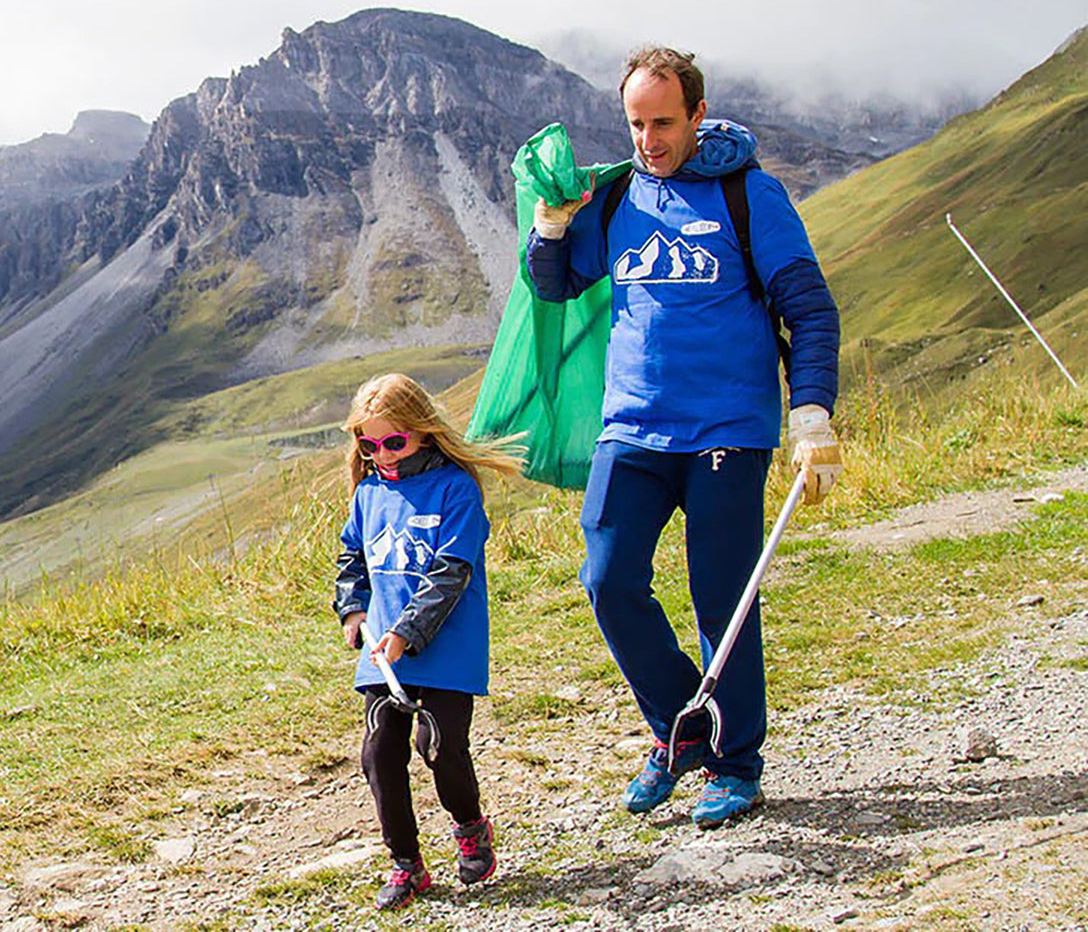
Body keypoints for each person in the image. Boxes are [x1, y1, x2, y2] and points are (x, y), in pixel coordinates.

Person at [525, 46, 842, 829]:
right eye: (636, 123)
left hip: (727, 428)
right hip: (632, 426)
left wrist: (812, 413)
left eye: (663, 123)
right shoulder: (618, 196)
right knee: (607, 579)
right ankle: (681, 730)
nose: (648, 139)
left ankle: (735, 764)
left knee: (721, 597)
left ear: (697, 115)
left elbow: (809, 308)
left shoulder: (748, 196)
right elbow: (556, 284)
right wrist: (550, 228)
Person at [332, 373, 523, 909]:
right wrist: (352, 610)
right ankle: (406, 864)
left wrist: (405, 634)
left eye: (394, 441)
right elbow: (353, 562)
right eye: (370, 444)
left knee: (436, 747)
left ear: (423, 432)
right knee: (379, 753)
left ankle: (469, 826)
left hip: (444, 650)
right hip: (383, 657)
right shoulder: (368, 493)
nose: (382, 454)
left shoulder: (456, 489)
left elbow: (450, 574)